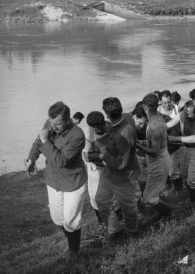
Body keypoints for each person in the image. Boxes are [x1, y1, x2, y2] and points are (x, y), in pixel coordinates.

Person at [25, 101, 87, 262]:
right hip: (53, 181)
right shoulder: (50, 123)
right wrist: (31, 158)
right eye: (51, 123)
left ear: (68, 120)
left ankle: (74, 251)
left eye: (57, 124)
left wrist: (46, 141)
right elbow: (38, 141)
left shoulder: (78, 135)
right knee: (58, 219)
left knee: (71, 221)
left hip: (73, 183)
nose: (53, 127)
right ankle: (71, 237)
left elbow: (61, 161)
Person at [95, 97, 140, 241]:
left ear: (107, 114)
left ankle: (132, 231)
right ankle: (115, 229)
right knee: (101, 199)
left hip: (124, 172)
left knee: (127, 204)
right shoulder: (126, 118)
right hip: (111, 171)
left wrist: (103, 156)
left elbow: (121, 164)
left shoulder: (122, 135)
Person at [82, 111, 124, 234]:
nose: (97, 131)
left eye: (99, 129)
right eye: (95, 129)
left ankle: (119, 220)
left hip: (112, 165)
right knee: (95, 197)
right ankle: (102, 223)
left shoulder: (111, 126)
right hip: (95, 168)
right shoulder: (87, 134)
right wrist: (102, 156)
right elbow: (86, 156)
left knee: (115, 195)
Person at [136, 94, 172, 221]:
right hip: (160, 160)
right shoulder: (158, 118)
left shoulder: (155, 125)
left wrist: (137, 145)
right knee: (154, 193)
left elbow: (154, 152)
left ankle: (168, 213)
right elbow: (160, 142)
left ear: (145, 106)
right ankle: (164, 212)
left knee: (147, 198)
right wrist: (143, 143)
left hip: (158, 162)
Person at [166, 100, 195, 204]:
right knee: (185, 175)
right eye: (185, 112)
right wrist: (157, 129)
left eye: (188, 113)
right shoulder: (182, 115)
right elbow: (168, 124)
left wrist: (173, 139)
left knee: (193, 179)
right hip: (185, 148)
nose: (186, 115)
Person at [158, 90, 183, 191]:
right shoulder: (157, 111)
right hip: (163, 145)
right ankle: (170, 187)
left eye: (169, 102)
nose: (167, 104)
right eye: (165, 102)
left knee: (173, 171)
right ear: (160, 101)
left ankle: (179, 189)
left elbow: (182, 124)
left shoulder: (176, 108)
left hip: (176, 144)